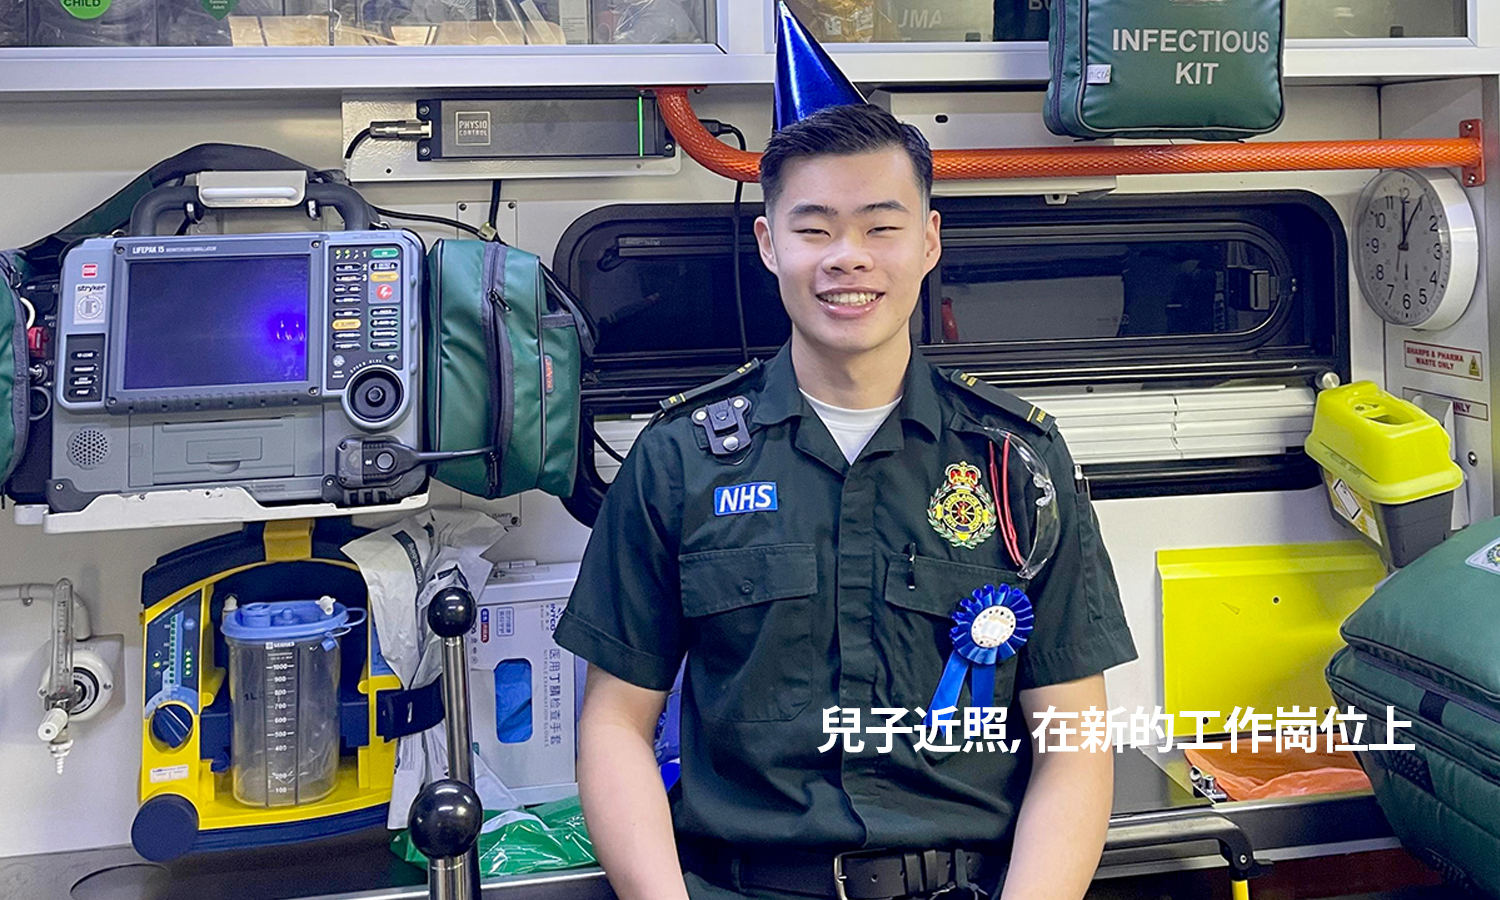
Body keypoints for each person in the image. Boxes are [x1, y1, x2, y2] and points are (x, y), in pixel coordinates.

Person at [552, 95, 1138, 900]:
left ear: (928, 242)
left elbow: (1073, 740)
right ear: (770, 244)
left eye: (880, 227)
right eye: (815, 229)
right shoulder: (678, 460)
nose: (847, 258)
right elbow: (615, 724)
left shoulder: (1016, 463)